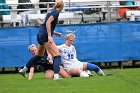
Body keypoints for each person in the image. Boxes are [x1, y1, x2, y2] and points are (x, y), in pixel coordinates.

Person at [20, 0, 64, 80]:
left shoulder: (51, 11)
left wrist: (55, 33)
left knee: (39, 56)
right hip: (45, 36)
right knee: (57, 56)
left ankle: (24, 69)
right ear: (61, 7)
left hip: (40, 35)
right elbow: (47, 23)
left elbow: (45, 25)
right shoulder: (56, 13)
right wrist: (50, 36)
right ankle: (56, 77)